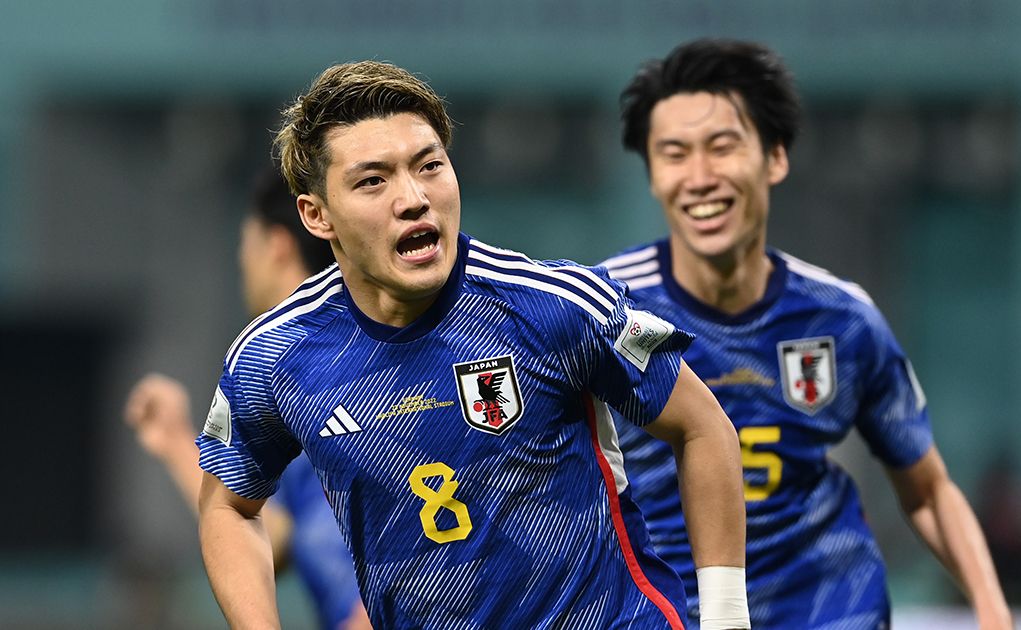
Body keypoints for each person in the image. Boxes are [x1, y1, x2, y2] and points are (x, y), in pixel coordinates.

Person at [195, 60, 750, 629]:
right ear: (317, 215)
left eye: (429, 166)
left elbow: (703, 426)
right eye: (372, 181)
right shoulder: (273, 357)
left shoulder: (555, 304)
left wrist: (728, 617)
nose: (413, 198)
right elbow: (228, 507)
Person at [602, 38, 1012, 629]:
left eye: (722, 147)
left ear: (775, 157)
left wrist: (994, 612)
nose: (699, 177)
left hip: (826, 607)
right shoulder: (608, 309)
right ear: (652, 176)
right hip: (678, 610)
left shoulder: (841, 317)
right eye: (673, 154)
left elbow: (927, 490)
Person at [123, 170, 371, 630]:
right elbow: (276, 538)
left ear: (277, 244)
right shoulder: (280, 374)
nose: (242, 260)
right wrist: (178, 441)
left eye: (246, 244)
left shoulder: (340, 365)